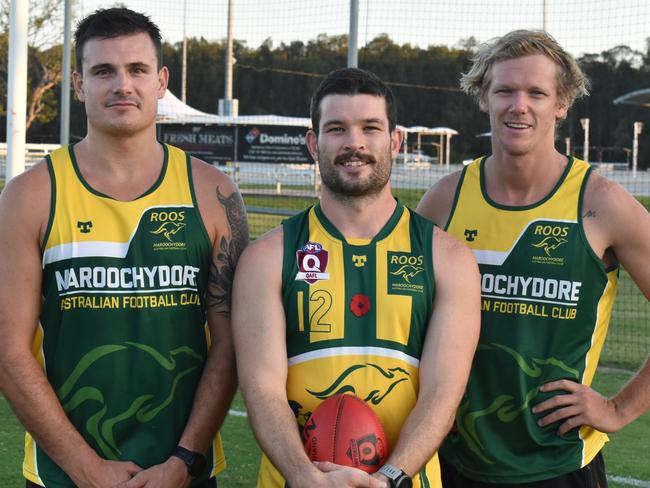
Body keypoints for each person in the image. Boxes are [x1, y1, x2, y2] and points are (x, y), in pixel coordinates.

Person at [0, 7, 247, 488]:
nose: (122, 84)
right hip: (63, 475)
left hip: (184, 472)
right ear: (77, 83)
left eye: (136, 69)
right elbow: (9, 352)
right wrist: (87, 468)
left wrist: (183, 461)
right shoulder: (29, 197)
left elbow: (232, 344)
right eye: (102, 71)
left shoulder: (214, 195)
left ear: (161, 80)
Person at [417, 29, 650, 487]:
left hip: (560, 464)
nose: (518, 105)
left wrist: (619, 408)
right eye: (504, 90)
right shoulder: (446, 199)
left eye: (536, 93)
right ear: (484, 98)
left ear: (561, 104)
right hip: (450, 460)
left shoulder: (601, 203)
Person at [232, 67, 481, 488]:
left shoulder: (448, 257)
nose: (354, 143)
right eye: (336, 129)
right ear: (313, 144)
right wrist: (305, 478)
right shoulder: (267, 257)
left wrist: (387, 479)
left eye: (370, 127)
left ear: (395, 141)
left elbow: (442, 395)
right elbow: (262, 390)